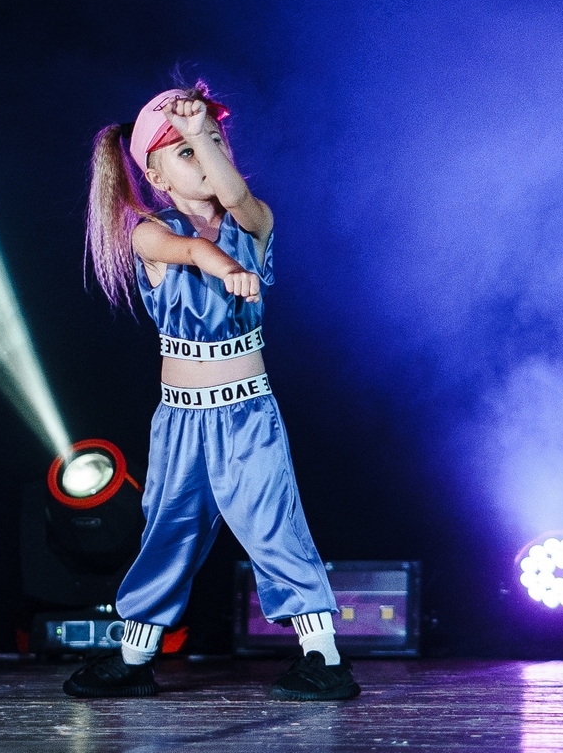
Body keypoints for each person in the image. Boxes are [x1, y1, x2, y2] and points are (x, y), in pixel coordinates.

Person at [64, 84, 358, 702]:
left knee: (274, 523)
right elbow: (193, 250)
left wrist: (199, 132)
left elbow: (238, 199)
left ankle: (324, 656)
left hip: (246, 410)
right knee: (167, 528)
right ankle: (135, 656)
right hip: (181, 420)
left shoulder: (254, 222)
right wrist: (224, 268)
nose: (204, 157)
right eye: (186, 152)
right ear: (155, 175)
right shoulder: (147, 233)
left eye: (215, 144)